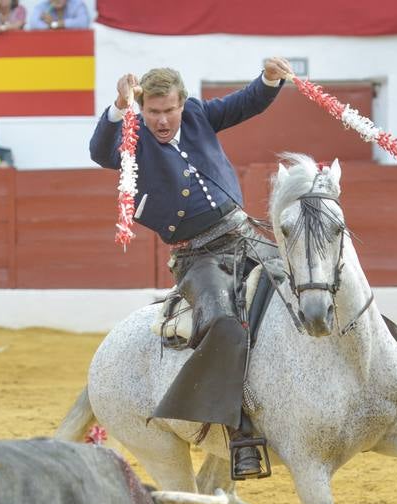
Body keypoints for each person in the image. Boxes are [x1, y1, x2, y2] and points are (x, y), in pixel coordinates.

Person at [89, 59, 295, 479]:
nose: (162, 120)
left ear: (182, 104)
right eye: (153, 112)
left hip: (245, 236)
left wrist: (270, 79)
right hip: (197, 256)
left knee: (306, 287)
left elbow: (245, 103)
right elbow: (99, 152)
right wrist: (118, 106)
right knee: (222, 323)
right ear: (142, 111)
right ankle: (240, 433)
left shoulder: (200, 114)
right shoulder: (135, 139)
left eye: (169, 110)